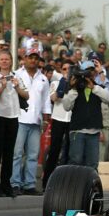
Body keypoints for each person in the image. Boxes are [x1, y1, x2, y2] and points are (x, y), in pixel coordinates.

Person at [12, 51, 51, 196]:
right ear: (25, 59)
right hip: (19, 118)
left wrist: (46, 119)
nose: (33, 60)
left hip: (36, 120)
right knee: (17, 153)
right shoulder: (16, 74)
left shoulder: (43, 78)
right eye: (30, 58)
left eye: (36, 58)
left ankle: (29, 184)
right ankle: (15, 183)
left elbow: (46, 100)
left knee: (33, 155)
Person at [63, 61, 109, 169]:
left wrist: (94, 88)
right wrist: (73, 88)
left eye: (91, 71)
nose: (89, 74)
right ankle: (75, 180)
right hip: (77, 131)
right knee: (76, 161)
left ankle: (91, 181)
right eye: (87, 71)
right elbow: (66, 107)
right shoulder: (74, 88)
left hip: (94, 132)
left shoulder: (97, 87)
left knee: (93, 163)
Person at [0, 51, 21, 197]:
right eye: (1, 59)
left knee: (9, 153)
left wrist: (17, 86)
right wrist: (1, 85)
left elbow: (26, 95)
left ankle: (6, 184)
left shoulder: (17, 76)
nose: (4, 61)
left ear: (11, 60)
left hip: (13, 116)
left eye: (7, 59)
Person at [43, 60, 72, 189]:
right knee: (54, 150)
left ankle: (65, 183)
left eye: (69, 69)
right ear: (61, 71)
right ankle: (47, 182)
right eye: (64, 69)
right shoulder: (55, 83)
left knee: (69, 151)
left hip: (71, 120)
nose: (67, 72)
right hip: (58, 119)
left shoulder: (76, 85)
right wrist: (63, 84)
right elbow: (54, 98)